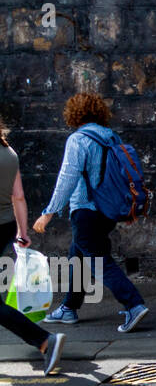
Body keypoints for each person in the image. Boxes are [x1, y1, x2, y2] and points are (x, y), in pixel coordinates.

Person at [32, 93, 149, 333]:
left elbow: (67, 178)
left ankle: (134, 304)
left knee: (97, 261)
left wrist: (48, 212)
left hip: (86, 210)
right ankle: (69, 308)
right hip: (107, 210)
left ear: (74, 113)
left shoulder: (78, 140)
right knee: (78, 256)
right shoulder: (110, 136)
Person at [0, 118, 65, 374]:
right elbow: (18, 196)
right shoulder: (9, 152)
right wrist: (22, 232)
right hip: (5, 225)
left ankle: (44, 340)